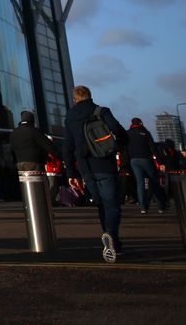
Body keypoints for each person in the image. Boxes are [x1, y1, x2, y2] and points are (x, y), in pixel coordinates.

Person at [64, 84, 128, 262]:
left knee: (101, 204)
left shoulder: (70, 117)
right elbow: (117, 130)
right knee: (112, 205)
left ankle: (110, 240)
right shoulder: (101, 111)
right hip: (104, 162)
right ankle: (111, 237)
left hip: (85, 167)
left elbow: (67, 146)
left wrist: (71, 173)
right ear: (90, 96)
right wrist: (120, 147)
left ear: (74, 100)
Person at [127, 118, 169, 214]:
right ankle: (161, 206)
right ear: (141, 123)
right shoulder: (145, 132)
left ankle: (143, 207)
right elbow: (153, 148)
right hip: (145, 159)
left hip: (133, 160)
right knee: (154, 182)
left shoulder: (127, 133)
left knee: (140, 184)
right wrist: (160, 162)